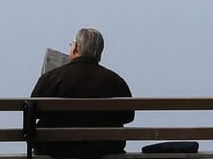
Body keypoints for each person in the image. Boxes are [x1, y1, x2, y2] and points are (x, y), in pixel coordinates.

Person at [29, 27, 135, 158]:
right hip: (103, 150)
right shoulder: (115, 81)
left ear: (75, 48)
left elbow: (32, 113)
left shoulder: (51, 78)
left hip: (54, 150)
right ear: (99, 53)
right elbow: (128, 116)